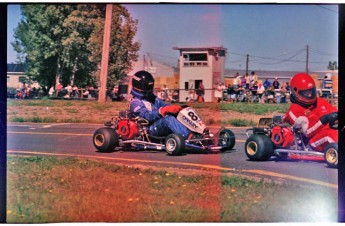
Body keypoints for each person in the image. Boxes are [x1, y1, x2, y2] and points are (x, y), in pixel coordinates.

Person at [283, 73, 338, 152]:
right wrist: (324, 120)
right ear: (296, 92)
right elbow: (306, 132)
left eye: (311, 91)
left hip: (329, 132)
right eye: (306, 92)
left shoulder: (320, 102)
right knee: (332, 134)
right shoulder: (294, 110)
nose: (310, 94)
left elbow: (334, 113)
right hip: (310, 142)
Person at [129, 70, 191, 139]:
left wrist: (178, 109)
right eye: (148, 86)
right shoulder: (135, 102)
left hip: (157, 125)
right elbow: (146, 116)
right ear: (140, 85)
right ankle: (188, 137)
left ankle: (197, 132)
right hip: (148, 129)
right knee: (168, 119)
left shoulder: (152, 98)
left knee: (181, 114)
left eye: (150, 86)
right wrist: (162, 111)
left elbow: (166, 107)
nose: (150, 88)